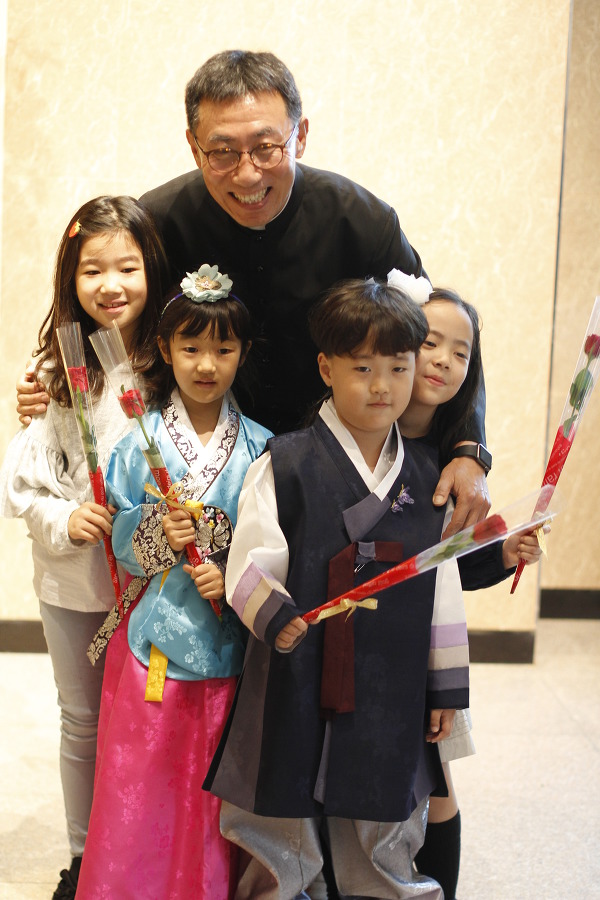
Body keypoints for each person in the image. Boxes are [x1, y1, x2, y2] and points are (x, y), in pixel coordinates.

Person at [16, 49, 491, 535]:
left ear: (300, 136)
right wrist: (51, 374)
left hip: (339, 468)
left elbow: (439, 334)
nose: (247, 175)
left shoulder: (362, 220)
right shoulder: (158, 221)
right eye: (222, 152)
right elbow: (108, 303)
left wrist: (468, 448)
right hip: (201, 482)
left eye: (267, 147)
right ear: (193, 147)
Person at [204, 278, 525, 899]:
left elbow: (443, 593)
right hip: (299, 668)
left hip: (390, 676)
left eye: (398, 368)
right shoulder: (286, 463)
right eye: (363, 368)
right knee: (284, 821)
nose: (382, 386)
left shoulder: (430, 477)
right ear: (326, 368)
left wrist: (445, 687)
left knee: (384, 815)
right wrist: (275, 615)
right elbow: (249, 561)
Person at [76, 267, 272, 900]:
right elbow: (118, 542)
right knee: (143, 789)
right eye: (190, 348)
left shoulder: (264, 449)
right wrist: (158, 533)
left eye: (223, 348)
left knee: (215, 798)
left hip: (229, 651)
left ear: (243, 351)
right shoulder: (137, 444)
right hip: (153, 646)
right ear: (164, 349)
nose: (206, 365)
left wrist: (232, 574)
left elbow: (276, 548)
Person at [0, 196, 169, 900]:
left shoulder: (175, 360)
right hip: (74, 583)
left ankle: (139, 850)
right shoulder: (53, 372)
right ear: (70, 277)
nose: (111, 285)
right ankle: (82, 856)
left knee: (152, 721)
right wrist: (64, 517)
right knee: (82, 721)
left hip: (157, 587)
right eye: (92, 269)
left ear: (152, 268)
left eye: (127, 267)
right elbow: (23, 483)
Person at [396, 285, 543, 900]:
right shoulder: (365, 434)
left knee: (437, 781)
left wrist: (505, 552)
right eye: (430, 343)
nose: (443, 360)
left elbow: (450, 564)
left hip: (426, 645)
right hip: (364, 633)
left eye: (461, 353)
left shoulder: (458, 464)